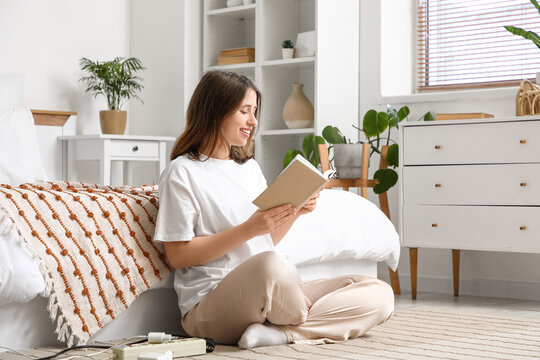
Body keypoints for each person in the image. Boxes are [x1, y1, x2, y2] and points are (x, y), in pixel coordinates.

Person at [154, 70, 394, 349]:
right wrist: (249, 228)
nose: (253, 121)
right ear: (215, 111)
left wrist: (293, 212)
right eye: (244, 111)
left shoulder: (249, 169)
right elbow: (178, 255)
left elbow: (265, 240)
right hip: (210, 304)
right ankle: (296, 322)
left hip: (270, 290)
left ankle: (281, 334)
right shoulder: (182, 172)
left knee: (379, 294)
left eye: (254, 111)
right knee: (272, 265)